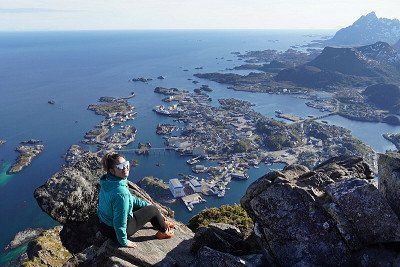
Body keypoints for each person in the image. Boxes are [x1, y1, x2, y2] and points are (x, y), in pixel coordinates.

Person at [97, 152, 174, 248]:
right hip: (115, 231)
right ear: (112, 171)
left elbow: (130, 199)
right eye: (120, 167)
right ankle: (163, 231)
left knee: (148, 207)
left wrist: (146, 204)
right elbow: (119, 221)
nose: (125, 168)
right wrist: (124, 241)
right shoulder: (121, 193)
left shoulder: (108, 181)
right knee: (153, 209)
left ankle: (158, 222)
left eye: (126, 164)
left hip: (104, 226)